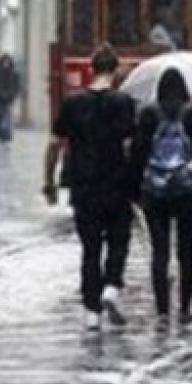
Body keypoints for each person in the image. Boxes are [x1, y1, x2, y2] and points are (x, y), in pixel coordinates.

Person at [44, 45, 136, 330]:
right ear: (115, 69)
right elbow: (130, 144)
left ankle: (91, 311)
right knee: (119, 239)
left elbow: (55, 143)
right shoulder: (124, 102)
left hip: (83, 186)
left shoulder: (73, 104)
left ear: (92, 68)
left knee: (90, 247)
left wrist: (48, 180)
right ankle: (111, 285)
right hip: (116, 184)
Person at [132, 68, 192, 325]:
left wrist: (134, 189)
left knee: (160, 251)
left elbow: (138, 155)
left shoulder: (148, 114)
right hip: (187, 192)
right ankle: (184, 308)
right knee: (187, 251)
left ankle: (161, 311)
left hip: (155, 191)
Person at [0, 55, 21, 144]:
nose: (6, 64)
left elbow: (16, 87)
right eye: (4, 62)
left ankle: (7, 135)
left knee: (6, 117)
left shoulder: (14, 74)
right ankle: (1, 134)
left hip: (9, 99)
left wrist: (11, 95)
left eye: (7, 62)